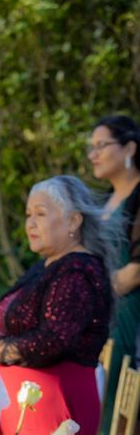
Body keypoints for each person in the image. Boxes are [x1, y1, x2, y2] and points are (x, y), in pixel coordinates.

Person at [0, 175, 115, 435]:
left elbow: (53, 340)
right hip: (23, 408)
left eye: (41, 214)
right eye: (28, 214)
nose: (30, 224)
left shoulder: (78, 270)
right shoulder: (46, 266)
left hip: (56, 406)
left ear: (73, 220)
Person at [87, 115, 140, 433]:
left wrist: (90, 294)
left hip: (129, 316)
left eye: (101, 145)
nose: (93, 154)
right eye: (90, 148)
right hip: (102, 317)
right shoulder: (105, 202)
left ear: (129, 147)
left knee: (123, 403)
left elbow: (136, 270)